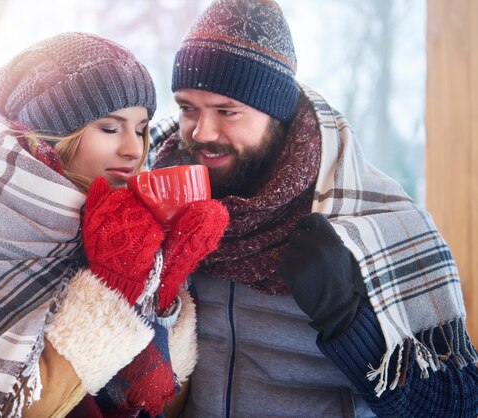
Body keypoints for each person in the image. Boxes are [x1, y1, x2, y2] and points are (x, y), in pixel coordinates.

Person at [150, 1, 478, 417]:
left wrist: (347, 320)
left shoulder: (370, 219)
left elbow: (458, 404)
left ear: (278, 113)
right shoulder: (165, 202)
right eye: (187, 108)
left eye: (226, 111)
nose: (202, 132)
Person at [0, 32, 228, 418]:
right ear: (54, 133)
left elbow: (150, 399)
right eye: (110, 128)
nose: (133, 148)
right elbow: (3, 406)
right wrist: (111, 289)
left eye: (141, 128)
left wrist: (158, 295)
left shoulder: (116, 223)